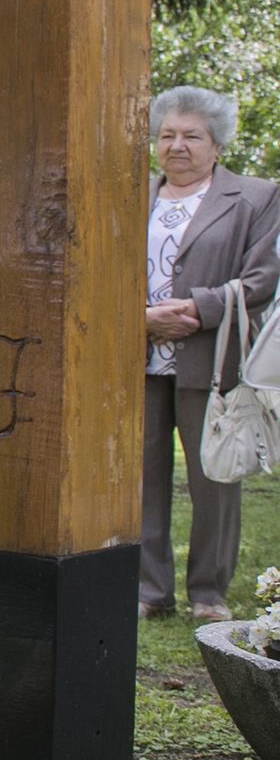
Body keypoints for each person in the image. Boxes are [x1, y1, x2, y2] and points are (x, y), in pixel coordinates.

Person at [140, 86, 280, 621]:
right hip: (141, 362)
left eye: (191, 136)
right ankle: (150, 591)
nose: (177, 146)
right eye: (168, 134)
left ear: (216, 144)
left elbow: (264, 278)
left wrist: (198, 310)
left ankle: (208, 592)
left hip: (212, 361)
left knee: (215, 480)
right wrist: (139, 318)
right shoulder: (132, 197)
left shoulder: (255, 196)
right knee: (142, 480)